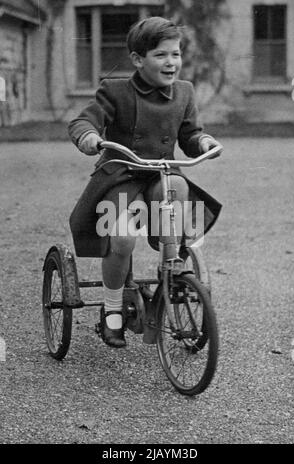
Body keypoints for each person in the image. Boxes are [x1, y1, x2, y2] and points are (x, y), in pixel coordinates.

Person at [68, 16, 222, 348]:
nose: (171, 63)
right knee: (122, 238)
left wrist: (204, 142)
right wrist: (89, 137)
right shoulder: (116, 91)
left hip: (159, 173)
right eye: (161, 55)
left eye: (176, 54)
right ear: (138, 60)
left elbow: (190, 133)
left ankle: (171, 261)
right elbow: (85, 119)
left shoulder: (184, 92)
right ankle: (112, 312)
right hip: (122, 176)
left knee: (178, 187)